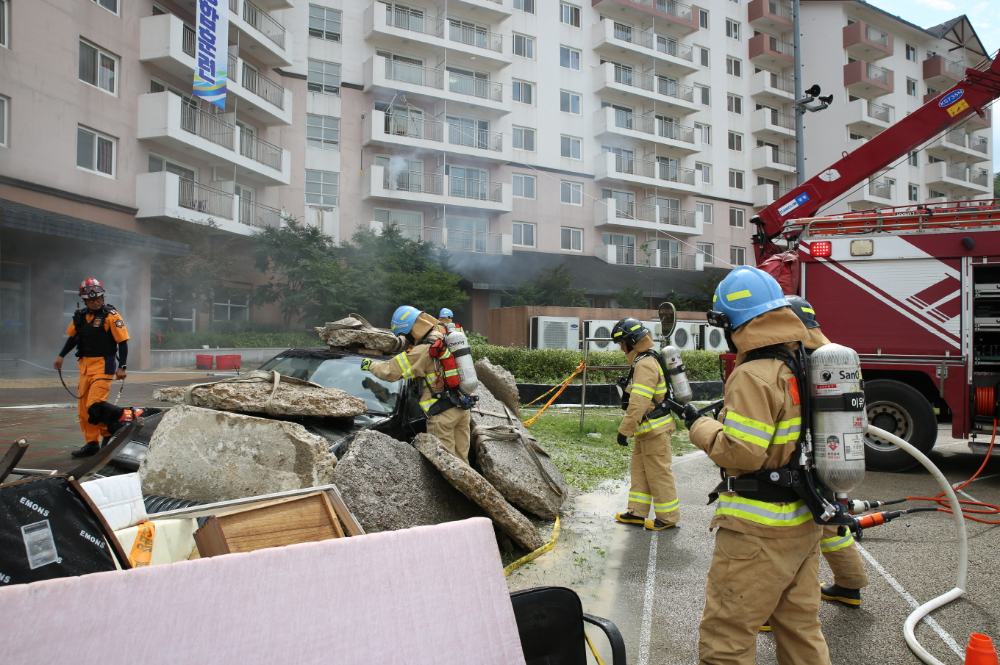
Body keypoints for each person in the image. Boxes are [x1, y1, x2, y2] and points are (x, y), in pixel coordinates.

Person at [684, 266, 832, 665]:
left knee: (725, 638)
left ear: (733, 321)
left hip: (757, 533)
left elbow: (742, 454)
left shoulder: (754, 374)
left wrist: (700, 426)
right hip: (803, 522)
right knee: (802, 630)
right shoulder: (805, 362)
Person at [787, 295, 868, 607]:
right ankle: (850, 584)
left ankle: (773, 604)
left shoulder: (797, 358)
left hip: (803, 457)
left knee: (791, 531)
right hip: (833, 456)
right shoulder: (835, 357)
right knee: (832, 522)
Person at [362, 305, 472, 463]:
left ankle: (447, 489)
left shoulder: (423, 350)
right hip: (462, 408)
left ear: (411, 330)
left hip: (442, 415)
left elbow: (390, 371)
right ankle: (463, 488)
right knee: (462, 463)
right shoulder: (447, 336)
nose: (406, 339)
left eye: (405, 334)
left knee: (446, 467)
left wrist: (371, 365)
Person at [612, 317, 680, 531]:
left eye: (622, 342)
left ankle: (668, 517)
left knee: (659, 474)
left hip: (655, 430)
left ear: (632, 341)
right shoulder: (644, 361)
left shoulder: (645, 364)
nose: (621, 347)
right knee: (640, 472)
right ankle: (636, 513)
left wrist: (624, 430)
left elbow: (639, 402)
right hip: (646, 431)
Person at [54, 278, 129, 458]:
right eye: (91, 300)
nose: (96, 302)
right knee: (83, 409)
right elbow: (73, 337)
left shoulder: (112, 316)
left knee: (95, 406)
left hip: (104, 366)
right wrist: (61, 355)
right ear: (84, 300)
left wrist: (122, 367)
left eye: (98, 299)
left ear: (103, 297)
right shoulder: (81, 316)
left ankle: (109, 435)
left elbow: (123, 342)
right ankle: (91, 443)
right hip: (85, 368)